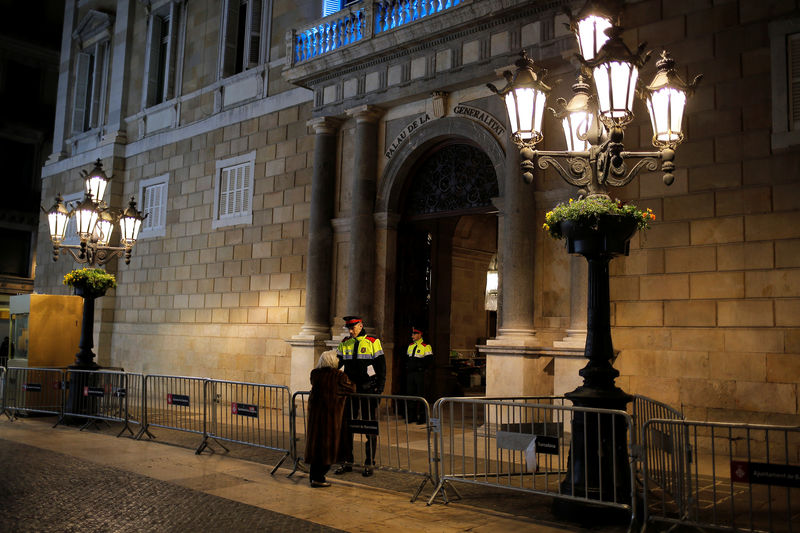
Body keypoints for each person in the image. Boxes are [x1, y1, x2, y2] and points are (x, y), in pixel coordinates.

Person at [335, 315, 386, 477]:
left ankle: (369, 462)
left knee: (369, 427)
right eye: (348, 328)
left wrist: (379, 389)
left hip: (368, 390)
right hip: (350, 391)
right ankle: (347, 461)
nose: (351, 331)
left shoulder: (372, 342)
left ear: (360, 325)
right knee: (347, 427)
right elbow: (338, 365)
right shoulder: (345, 343)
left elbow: (381, 367)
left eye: (353, 327)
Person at [304, 350, 355, 488]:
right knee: (327, 448)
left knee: (316, 447)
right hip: (330, 418)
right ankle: (319, 478)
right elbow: (351, 389)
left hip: (316, 417)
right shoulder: (339, 376)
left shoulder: (315, 374)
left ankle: (314, 477)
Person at [405, 326, 433, 424]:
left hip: (420, 374)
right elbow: (407, 359)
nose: (412, 335)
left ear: (420, 335)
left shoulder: (426, 346)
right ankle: (411, 417)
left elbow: (429, 361)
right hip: (411, 374)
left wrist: (420, 368)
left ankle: (422, 417)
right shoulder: (410, 346)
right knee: (410, 394)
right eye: (412, 334)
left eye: (414, 334)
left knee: (421, 395)